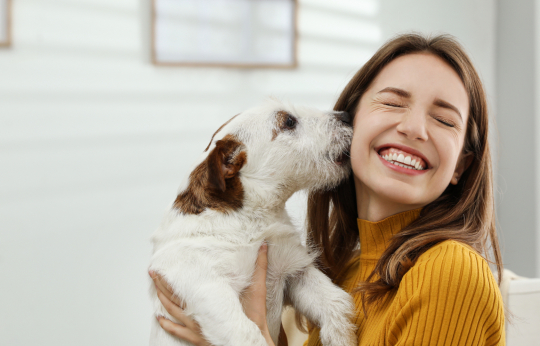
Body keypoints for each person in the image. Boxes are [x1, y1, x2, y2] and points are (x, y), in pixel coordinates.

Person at [149, 33, 506, 346]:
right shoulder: (347, 272)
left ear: (460, 165)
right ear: (352, 119)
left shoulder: (451, 273)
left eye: (444, 120)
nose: (414, 128)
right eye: (393, 102)